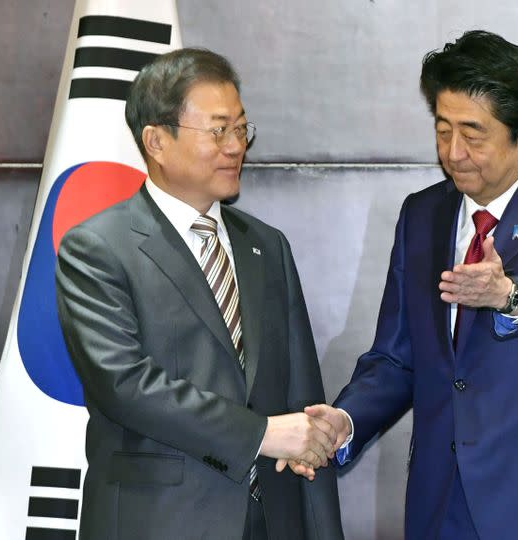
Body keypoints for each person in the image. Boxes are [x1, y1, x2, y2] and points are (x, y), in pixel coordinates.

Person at [306, 31, 518, 539]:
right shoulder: (422, 214)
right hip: (443, 499)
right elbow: (398, 357)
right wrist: (346, 420)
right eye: (443, 129)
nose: (454, 152)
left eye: (473, 133)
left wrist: (508, 294)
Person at [55, 48, 343, 540]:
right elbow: (125, 385)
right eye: (217, 130)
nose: (235, 147)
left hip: (271, 522)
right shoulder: (98, 248)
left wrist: (317, 433)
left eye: (241, 129)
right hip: (161, 521)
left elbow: (300, 390)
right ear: (157, 141)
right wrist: (262, 435)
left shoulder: (266, 246)